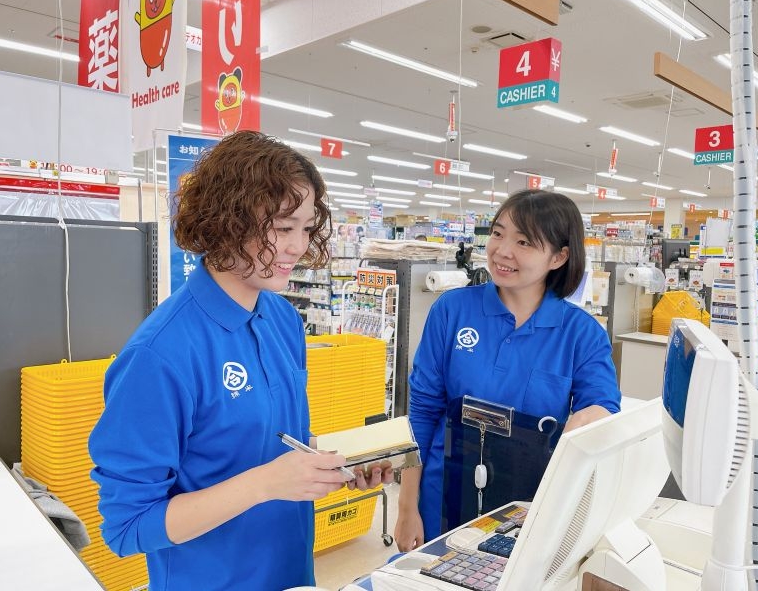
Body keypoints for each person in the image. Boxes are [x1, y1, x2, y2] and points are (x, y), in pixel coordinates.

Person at [89, 131, 390, 591]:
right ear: (226, 221)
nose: (298, 247)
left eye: (306, 228)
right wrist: (265, 484)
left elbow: (266, 441)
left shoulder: (282, 319)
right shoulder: (160, 355)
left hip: (291, 575)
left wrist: (335, 466)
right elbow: (128, 528)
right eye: (282, 228)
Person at [394, 189, 621, 551]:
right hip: (441, 498)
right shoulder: (452, 311)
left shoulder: (580, 333)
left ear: (559, 256)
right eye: (498, 234)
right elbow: (421, 415)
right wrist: (407, 508)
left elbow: (603, 403)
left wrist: (596, 416)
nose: (502, 250)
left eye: (524, 241)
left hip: (529, 511)